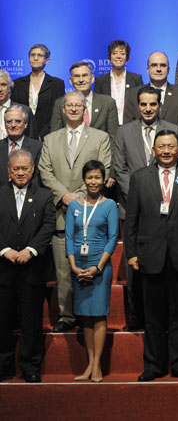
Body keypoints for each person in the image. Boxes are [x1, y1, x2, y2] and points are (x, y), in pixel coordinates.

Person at [123, 129, 178, 381]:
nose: (166, 151)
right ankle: (154, 365)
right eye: (161, 146)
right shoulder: (140, 178)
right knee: (152, 316)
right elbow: (132, 220)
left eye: (171, 146)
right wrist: (131, 253)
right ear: (153, 150)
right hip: (150, 254)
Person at [39, 91, 112, 333]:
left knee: (90, 265)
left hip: (93, 217)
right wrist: (65, 195)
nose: (73, 109)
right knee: (63, 268)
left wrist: (79, 197)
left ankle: (88, 314)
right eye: (68, 106)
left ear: (85, 109)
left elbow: (104, 169)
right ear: (62, 109)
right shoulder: (49, 139)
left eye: (77, 106)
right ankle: (67, 315)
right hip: (60, 212)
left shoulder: (100, 138)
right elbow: (45, 172)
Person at [112, 86, 178, 331]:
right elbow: (119, 169)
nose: (148, 108)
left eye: (153, 104)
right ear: (137, 106)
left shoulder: (174, 130)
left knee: (166, 264)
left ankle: (165, 317)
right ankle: (137, 316)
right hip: (132, 208)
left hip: (166, 213)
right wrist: (141, 197)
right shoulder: (123, 132)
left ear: (159, 105)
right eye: (144, 104)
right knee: (135, 266)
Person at [0, 150, 55, 383]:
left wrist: (30, 250)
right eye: (16, 169)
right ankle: (3, 367)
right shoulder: (0, 194)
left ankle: (30, 365)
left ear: (32, 170)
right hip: (3, 269)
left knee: (31, 321)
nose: (21, 172)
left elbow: (49, 224)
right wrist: (4, 250)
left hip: (33, 269)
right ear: (9, 171)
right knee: (2, 321)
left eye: (25, 168)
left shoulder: (44, 195)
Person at [65, 160, 118, 382]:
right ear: (84, 180)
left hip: (100, 266)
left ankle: (97, 366)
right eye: (90, 177)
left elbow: (113, 238)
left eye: (97, 177)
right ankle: (89, 363)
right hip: (79, 267)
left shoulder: (110, 205)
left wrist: (98, 267)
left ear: (103, 180)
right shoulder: (74, 206)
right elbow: (69, 237)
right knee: (85, 317)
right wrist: (74, 266)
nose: (93, 181)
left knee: (98, 315)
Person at [123, 52, 178, 147]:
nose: (158, 69)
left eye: (163, 65)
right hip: (140, 156)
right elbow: (128, 128)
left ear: (168, 69)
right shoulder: (133, 94)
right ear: (148, 69)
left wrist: (170, 149)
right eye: (154, 65)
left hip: (172, 156)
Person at [50, 61, 119, 141]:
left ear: (92, 79)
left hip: (100, 152)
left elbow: (113, 137)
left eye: (85, 75)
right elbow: (55, 136)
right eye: (77, 76)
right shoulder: (60, 103)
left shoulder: (108, 102)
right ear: (71, 81)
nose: (81, 80)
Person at [11, 44, 65, 139]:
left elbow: (57, 113)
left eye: (39, 55)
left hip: (47, 135)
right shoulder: (17, 83)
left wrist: (43, 134)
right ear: (29, 59)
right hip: (21, 134)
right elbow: (14, 109)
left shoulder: (57, 84)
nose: (35, 58)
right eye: (32, 55)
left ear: (47, 60)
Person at [93, 39, 144, 124]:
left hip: (130, 125)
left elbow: (140, 104)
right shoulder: (100, 81)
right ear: (109, 58)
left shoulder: (136, 79)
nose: (118, 56)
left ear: (127, 59)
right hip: (107, 125)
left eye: (122, 53)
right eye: (114, 53)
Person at [0, 105, 42, 182]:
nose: (13, 125)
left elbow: (38, 178)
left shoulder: (38, 147)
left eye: (18, 121)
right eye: (9, 122)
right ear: (5, 125)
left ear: (25, 124)